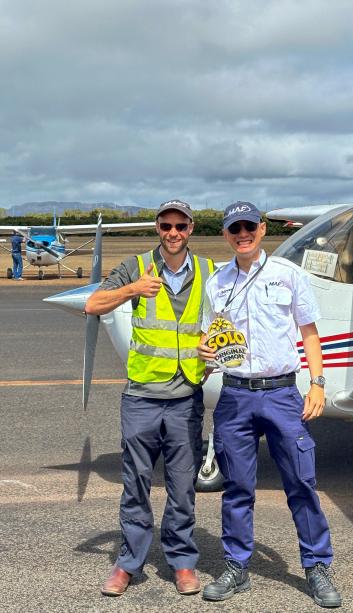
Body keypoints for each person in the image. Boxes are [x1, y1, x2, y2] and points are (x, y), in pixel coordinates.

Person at [197, 202, 342, 608]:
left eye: (248, 226)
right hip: (236, 393)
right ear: (226, 234)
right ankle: (236, 566)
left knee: (301, 484)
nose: (241, 233)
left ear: (261, 229)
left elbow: (309, 334)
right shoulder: (217, 282)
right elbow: (213, 334)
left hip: (282, 393)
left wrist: (316, 384)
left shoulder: (288, 275)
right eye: (233, 228)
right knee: (237, 487)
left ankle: (316, 566)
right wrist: (204, 351)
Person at [85, 200, 214, 598]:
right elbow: (93, 304)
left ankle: (183, 562)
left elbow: (228, 319)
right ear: (157, 228)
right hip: (141, 396)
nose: (172, 233)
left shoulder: (210, 271)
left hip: (185, 397)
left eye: (180, 226)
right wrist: (133, 289)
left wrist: (215, 349)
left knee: (182, 486)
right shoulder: (135, 267)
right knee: (135, 483)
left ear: (191, 228)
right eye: (165, 226)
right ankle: (128, 564)